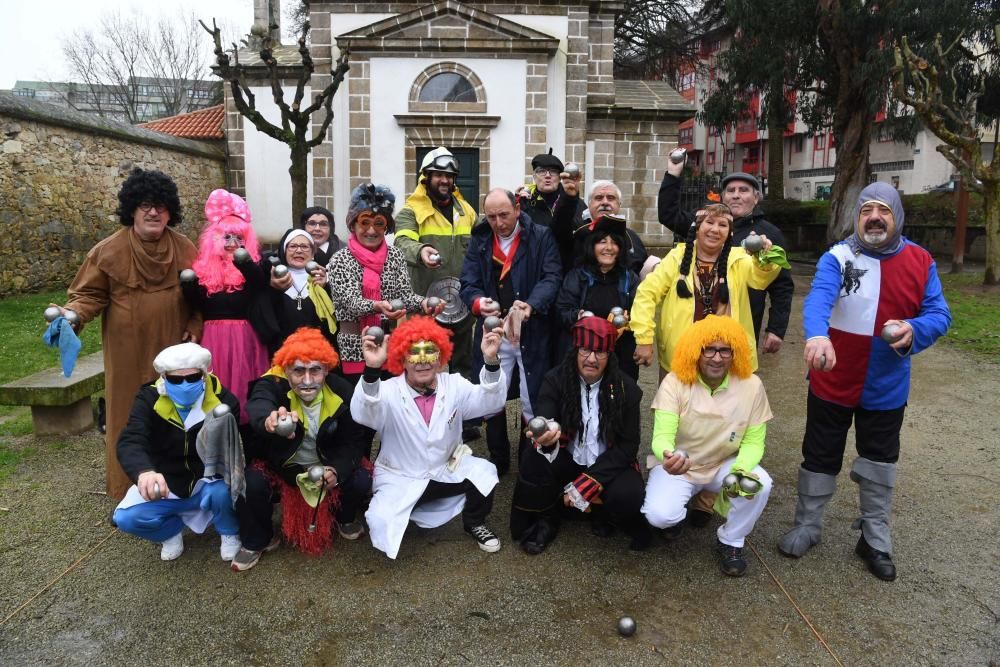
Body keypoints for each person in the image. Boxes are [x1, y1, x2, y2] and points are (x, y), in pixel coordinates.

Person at [778, 182, 950, 582]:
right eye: (867, 210)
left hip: (885, 384)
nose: (874, 217)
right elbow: (819, 299)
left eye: (883, 210)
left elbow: (940, 314)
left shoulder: (921, 260)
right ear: (856, 217)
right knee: (819, 455)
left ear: (896, 216)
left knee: (880, 461)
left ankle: (875, 536)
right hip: (833, 377)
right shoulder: (837, 258)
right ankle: (808, 524)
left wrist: (914, 327)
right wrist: (817, 335)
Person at [56, 168, 201, 499]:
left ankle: (180, 485)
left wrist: (195, 324)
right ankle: (129, 488)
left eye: (161, 206)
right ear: (132, 208)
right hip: (127, 352)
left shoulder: (184, 248)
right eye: (146, 204)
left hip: (173, 348)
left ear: (170, 211)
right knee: (128, 414)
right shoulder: (107, 251)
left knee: (176, 411)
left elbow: (200, 297)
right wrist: (73, 314)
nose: (154, 212)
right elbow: (88, 295)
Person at [351, 316, 506, 559]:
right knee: (381, 520)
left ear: (441, 355)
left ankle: (475, 522)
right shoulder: (389, 391)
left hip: (444, 470)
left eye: (430, 352)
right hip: (400, 476)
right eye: (414, 353)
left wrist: (491, 360)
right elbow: (363, 413)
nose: (422, 361)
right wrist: (371, 369)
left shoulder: (454, 384)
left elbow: (490, 402)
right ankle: (405, 508)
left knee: (484, 473)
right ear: (402, 357)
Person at [641, 315, 774, 576]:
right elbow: (661, 436)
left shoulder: (752, 385)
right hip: (681, 465)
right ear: (695, 351)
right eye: (709, 349)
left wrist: (740, 471)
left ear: (734, 352)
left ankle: (731, 540)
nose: (717, 357)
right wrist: (667, 456)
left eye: (725, 350)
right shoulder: (675, 382)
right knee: (659, 516)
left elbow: (754, 441)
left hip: (725, 464)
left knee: (761, 483)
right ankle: (676, 518)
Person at [234, 327, 372, 571]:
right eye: (298, 371)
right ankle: (259, 538)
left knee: (362, 478)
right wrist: (269, 420)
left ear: (326, 370)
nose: (307, 381)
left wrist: (336, 471)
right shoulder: (272, 385)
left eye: (315, 370)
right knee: (251, 482)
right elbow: (257, 403)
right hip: (283, 468)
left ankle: (345, 517)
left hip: (326, 464)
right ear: (286, 370)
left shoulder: (342, 390)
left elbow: (353, 441)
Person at [510, 316, 649, 554]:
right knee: (533, 455)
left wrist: (589, 482)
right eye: (585, 350)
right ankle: (547, 519)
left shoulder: (628, 389)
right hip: (567, 458)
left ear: (610, 356)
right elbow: (545, 413)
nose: (592, 359)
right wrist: (549, 430)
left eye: (600, 352)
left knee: (630, 494)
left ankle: (603, 513)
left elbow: (628, 446)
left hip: (607, 465)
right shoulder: (555, 379)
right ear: (575, 350)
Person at [459, 188, 562, 475]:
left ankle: (530, 454)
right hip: (494, 332)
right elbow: (467, 283)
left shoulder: (540, 236)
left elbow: (552, 277)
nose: (498, 222)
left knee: (533, 393)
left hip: (532, 330)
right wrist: (479, 303)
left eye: (504, 214)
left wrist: (530, 305)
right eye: (491, 216)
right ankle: (498, 458)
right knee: (492, 391)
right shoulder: (480, 240)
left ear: (518, 209)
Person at [112, 343, 242, 562]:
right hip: (166, 485)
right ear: (163, 378)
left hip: (208, 481)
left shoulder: (225, 401)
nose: (184, 384)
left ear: (204, 374)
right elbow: (131, 438)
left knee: (227, 488)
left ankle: (229, 531)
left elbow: (232, 451)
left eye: (192, 378)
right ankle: (170, 532)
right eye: (175, 379)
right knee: (127, 518)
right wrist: (144, 471)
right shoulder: (148, 400)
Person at [631, 203, 786, 376]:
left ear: (729, 233)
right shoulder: (676, 258)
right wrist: (644, 339)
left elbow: (760, 278)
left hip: (727, 358)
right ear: (697, 227)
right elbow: (646, 294)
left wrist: (764, 256)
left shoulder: (739, 258)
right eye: (709, 222)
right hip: (681, 357)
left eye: (722, 225)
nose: (715, 229)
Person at [658, 159, 794, 351]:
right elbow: (668, 215)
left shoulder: (769, 235)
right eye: (731, 191)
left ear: (756, 198)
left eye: (743, 190)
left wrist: (776, 329)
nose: (736, 196)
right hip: (692, 326)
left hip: (740, 329)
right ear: (723, 197)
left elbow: (782, 287)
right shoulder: (704, 224)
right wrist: (673, 173)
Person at [328, 183, 442, 382]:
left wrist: (423, 302)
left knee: (391, 404)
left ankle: (512, 412)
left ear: (386, 227)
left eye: (379, 223)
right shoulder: (340, 259)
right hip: (356, 346)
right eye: (364, 223)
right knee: (363, 405)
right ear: (353, 224)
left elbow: (405, 296)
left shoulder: (395, 256)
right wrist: (377, 306)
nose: (371, 230)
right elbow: (349, 302)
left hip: (391, 344)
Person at [184, 189, 269, 422]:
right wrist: (188, 285)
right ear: (216, 240)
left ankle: (251, 444)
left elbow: (260, 283)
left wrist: (246, 263)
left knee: (246, 388)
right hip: (214, 337)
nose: (232, 244)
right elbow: (196, 303)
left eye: (239, 238)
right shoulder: (202, 268)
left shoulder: (254, 267)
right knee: (215, 388)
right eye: (227, 237)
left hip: (245, 338)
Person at [394, 147, 478, 382]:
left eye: (449, 176)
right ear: (426, 177)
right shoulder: (409, 212)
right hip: (425, 307)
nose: (445, 180)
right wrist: (421, 251)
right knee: (425, 363)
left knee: (463, 367)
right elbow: (402, 242)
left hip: (462, 306)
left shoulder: (467, 211)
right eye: (439, 175)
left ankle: (465, 417)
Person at [555, 214, 640, 380]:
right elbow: (562, 310)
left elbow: (640, 312)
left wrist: (628, 322)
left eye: (614, 242)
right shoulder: (578, 276)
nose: (609, 247)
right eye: (602, 242)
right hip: (582, 355)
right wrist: (577, 317)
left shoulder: (630, 279)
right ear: (592, 246)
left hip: (619, 355)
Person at [256, 228, 337, 356]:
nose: (298, 250)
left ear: (313, 252)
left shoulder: (323, 278)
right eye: (293, 246)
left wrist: (326, 287)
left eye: (304, 246)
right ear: (284, 250)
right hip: (281, 352)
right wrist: (273, 290)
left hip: (318, 351)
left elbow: (334, 319)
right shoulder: (272, 279)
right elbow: (264, 317)